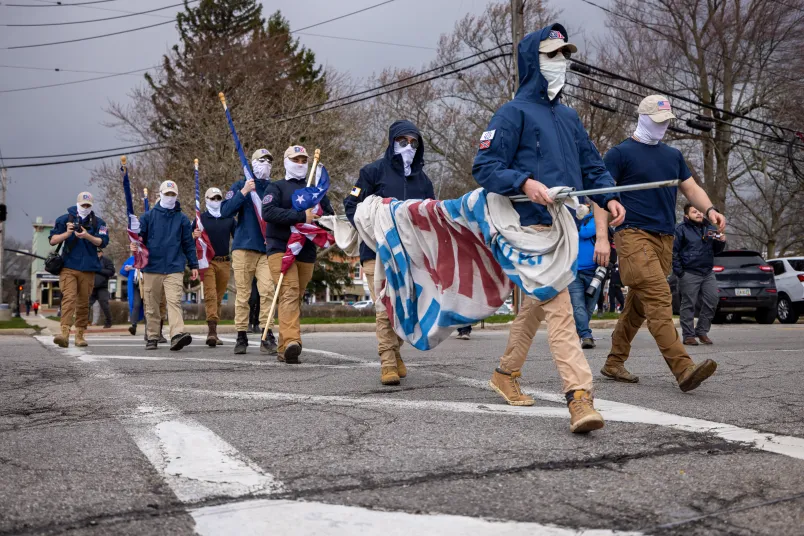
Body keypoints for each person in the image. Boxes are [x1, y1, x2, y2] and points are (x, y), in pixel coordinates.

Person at [471, 24, 627, 433]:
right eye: (552, 55)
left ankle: (505, 373)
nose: (562, 62)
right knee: (561, 310)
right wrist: (524, 183)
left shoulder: (570, 117)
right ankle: (579, 396)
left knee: (537, 304)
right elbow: (484, 166)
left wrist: (609, 197)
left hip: (565, 229)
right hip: (527, 228)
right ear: (532, 61)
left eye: (565, 55)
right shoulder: (512, 113)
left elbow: (593, 166)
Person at [601, 95, 726, 392]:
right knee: (659, 298)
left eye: (666, 121)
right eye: (657, 121)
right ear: (642, 117)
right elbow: (600, 195)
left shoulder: (672, 156)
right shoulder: (619, 153)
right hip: (632, 235)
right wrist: (602, 238)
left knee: (637, 306)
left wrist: (710, 210)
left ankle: (614, 362)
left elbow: (691, 188)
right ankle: (684, 369)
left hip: (664, 239)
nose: (662, 126)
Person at [344, 120, 436, 385]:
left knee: (404, 308)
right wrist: (372, 231)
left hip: (409, 256)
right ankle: (387, 361)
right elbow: (352, 205)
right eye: (402, 141)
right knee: (385, 307)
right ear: (392, 141)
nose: (408, 146)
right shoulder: (372, 172)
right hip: (376, 253)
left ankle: (396, 353)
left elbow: (431, 215)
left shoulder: (423, 181)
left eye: (413, 142)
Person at [262, 145, 334, 364]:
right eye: (296, 160)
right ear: (286, 161)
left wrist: (319, 218)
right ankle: (293, 341)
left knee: (295, 296)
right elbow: (268, 212)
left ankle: (284, 347)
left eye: (304, 160)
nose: (301, 164)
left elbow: (328, 216)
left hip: (306, 250)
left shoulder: (314, 190)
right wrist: (301, 216)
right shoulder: (275, 187)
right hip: (280, 248)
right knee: (289, 292)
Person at [220, 148, 277, 355]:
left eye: (269, 161)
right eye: (261, 160)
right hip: (244, 248)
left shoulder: (273, 188)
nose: (266, 164)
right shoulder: (241, 185)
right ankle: (241, 334)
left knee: (267, 292)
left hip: (267, 249)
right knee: (243, 295)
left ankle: (266, 334)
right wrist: (244, 191)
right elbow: (225, 211)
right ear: (252, 164)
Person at [132, 180, 199, 351]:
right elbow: (140, 239)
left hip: (174, 267)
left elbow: (188, 244)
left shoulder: (182, 219)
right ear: (160, 194)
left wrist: (194, 265)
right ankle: (152, 336)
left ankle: (177, 335)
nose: (170, 197)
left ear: (177, 196)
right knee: (151, 305)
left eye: (173, 194)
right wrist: (135, 244)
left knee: (174, 302)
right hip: (151, 267)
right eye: (167, 193)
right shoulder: (148, 217)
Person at [48, 192, 110, 348]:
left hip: (88, 269)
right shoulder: (64, 219)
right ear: (77, 204)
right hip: (68, 266)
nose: (85, 207)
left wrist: (87, 235)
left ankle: (80, 335)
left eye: (88, 205)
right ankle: (64, 333)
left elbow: (103, 242)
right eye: (83, 205)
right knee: (69, 299)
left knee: (83, 302)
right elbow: (52, 240)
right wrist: (68, 233)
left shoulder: (99, 223)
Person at [673, 203, 726, 345]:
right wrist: (680, 272)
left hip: (707, 272)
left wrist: (721, 241)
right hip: (689, 272)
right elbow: (673, 252)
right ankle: (688, 335)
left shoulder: (710, 228)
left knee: (712, 300)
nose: (698, 214)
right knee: (688, 304)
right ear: (686, 215)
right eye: (694, 211)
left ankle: (702, 331)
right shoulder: (680, 229)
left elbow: (716, 250)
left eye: (700, 211)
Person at [192, 187, 236, 347]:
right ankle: (211, 332)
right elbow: (190, 240)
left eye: (218, 198)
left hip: (224, 262)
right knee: (210, 294)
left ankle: (214, 330)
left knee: (218, 297)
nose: (216, 201)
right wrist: (194, 235)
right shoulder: (200, 219)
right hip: (207, 261)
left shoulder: (229, 218)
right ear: (206, 200)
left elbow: (237, 237)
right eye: (212, 198)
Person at [566, 200, 611, 349]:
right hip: (573, 271)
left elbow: (585, 232)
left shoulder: (596, 221)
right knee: (578, 305)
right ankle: (586, 335)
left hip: (594, 272)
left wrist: (579, 221)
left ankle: (580, 332)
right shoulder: (569, 220)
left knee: (589, 307)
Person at [89, 248, 115, 328]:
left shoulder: (107, 260)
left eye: (99, 252)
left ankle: (108, 322)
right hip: (91, 286)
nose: (97, 253)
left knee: (104, 304)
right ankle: (83, 323)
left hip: (102, 286)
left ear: (102, 252)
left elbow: (111, 272)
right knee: (86, 305)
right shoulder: (89, 260)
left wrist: (98, 269)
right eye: (95, 252)